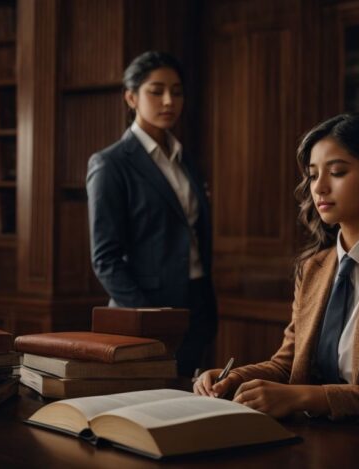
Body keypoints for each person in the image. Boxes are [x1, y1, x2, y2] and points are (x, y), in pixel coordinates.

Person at [194, 112, 359, 422]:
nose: (320, 188)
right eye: (313, 175)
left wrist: (310, 397)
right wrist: (233, 378)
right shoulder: (313, 267)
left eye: (337, 172)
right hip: (309, 441)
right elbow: (289, 364)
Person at [86, 51, 217, 377]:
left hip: (197, 301)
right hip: (145, 309)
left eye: (177, 91)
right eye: (156, 91)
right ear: (131, 97)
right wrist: (148, 314)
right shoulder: (111, 163)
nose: (169, 100)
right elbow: (105, 258)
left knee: (188, 401)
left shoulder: (184, 159)